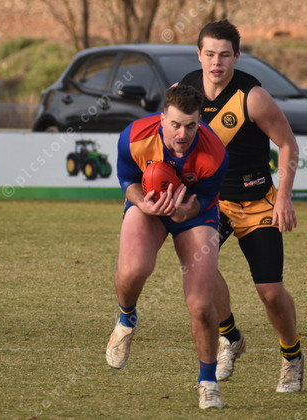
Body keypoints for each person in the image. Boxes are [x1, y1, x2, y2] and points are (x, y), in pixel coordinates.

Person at [179, 19, 304, 392]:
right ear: (198, 55)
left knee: (270, 293)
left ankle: (292, 356)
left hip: (257, 203)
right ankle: (230, 337)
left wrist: (284, 198)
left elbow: (288, 145)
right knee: (199, 268)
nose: (216, 62)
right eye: (209, 54)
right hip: (212, 202)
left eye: (224, 55)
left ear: (236, 56)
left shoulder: (253, 96)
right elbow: (172, 139)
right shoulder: (185, 91)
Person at [105, 85, 229, 409]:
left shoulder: (214, 152)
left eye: (190, 126)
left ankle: (208, 382)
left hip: (194, 213)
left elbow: (206, 197)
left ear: (199, 121)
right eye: (175, 125)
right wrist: (142, 203)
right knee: (133, 269)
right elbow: (126, 179)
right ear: (162, 119)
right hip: (149, 203)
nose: (182, 134)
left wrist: (187, 210)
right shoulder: (134, 136)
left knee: (200, 303)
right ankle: (126, 319)